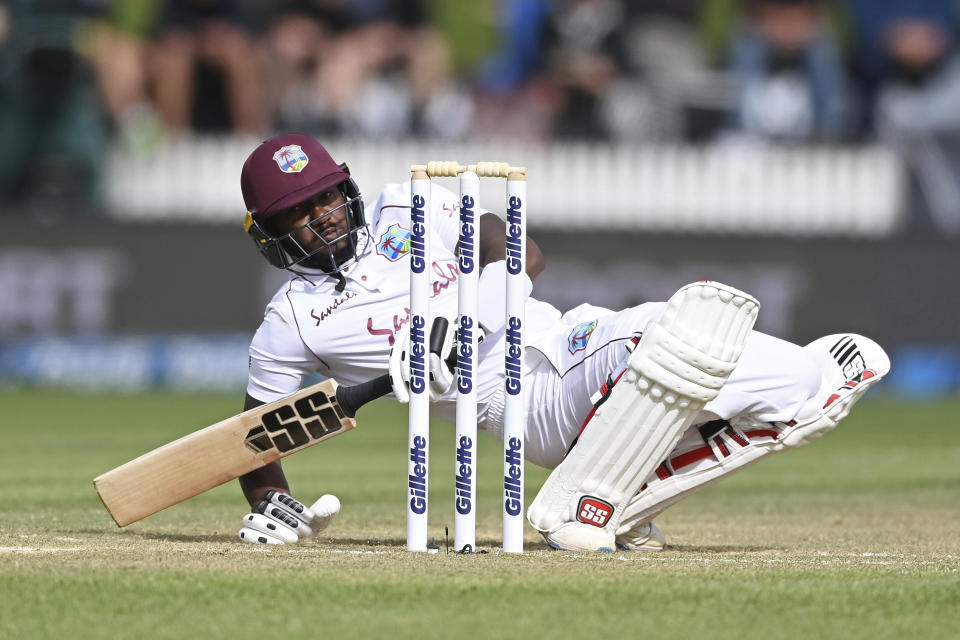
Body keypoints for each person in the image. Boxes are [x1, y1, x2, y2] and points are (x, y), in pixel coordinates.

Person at [235, 133, 889, 551]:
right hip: (528, 410)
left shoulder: (402, 205)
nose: (321, 213)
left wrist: (466, 323)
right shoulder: (292, 319)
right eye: (298, 207)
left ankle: (614, 502)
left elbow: (515, 244)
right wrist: (271, 501)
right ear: (270, 229)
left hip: (564, 340)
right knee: (685, 332)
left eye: (325, 195)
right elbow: (257, 432)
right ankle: (610, 483)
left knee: (787, 384)